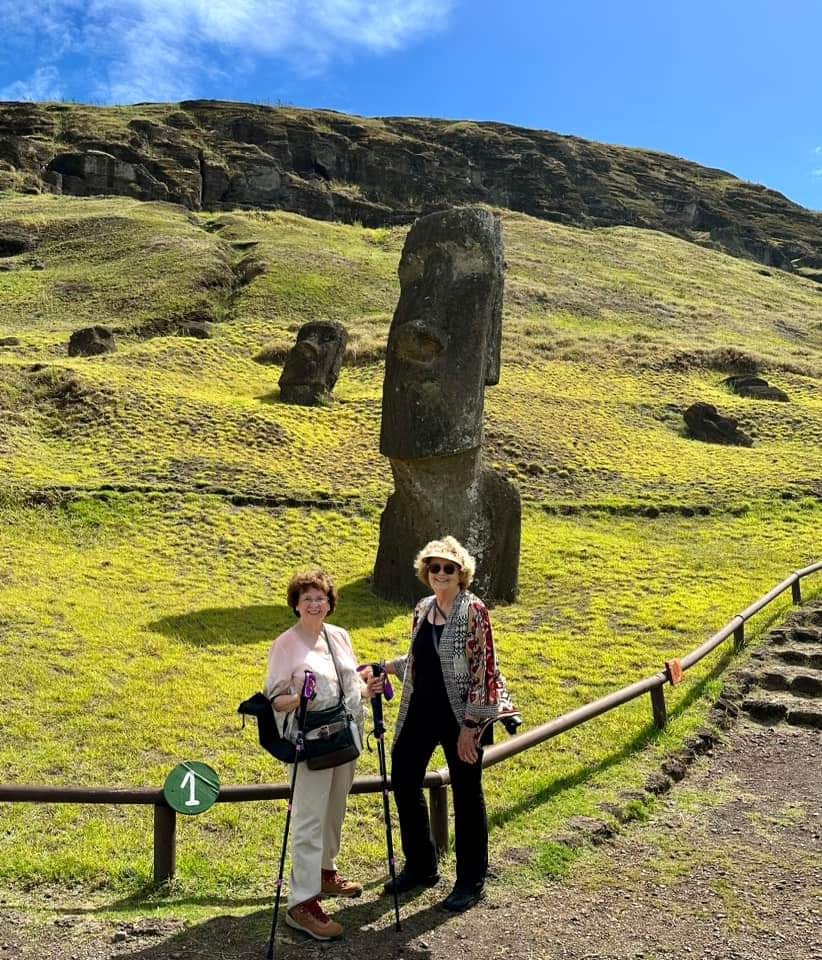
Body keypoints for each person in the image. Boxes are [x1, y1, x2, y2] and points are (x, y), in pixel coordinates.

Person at [380, 536, 500, 912]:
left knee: (466, 792)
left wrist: (471, 727)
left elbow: (485, 670)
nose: (441, 573)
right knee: (403, 777)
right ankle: (421, 865)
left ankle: (471, 881)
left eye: (449, 568)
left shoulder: (474, 610)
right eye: (435, 567)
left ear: (461, 572)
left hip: (461, 715)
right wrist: (385, 667)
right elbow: (420, 660)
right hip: (421, 709)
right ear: (426, 571)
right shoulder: (423, 608)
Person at [266, 569, 381, 941]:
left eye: (321, 598)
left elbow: (350, 684)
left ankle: (324, 872)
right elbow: (274, 699)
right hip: (309, 743)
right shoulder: (286, 644)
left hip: (345, 738)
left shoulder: (339, 636)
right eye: (308, 598)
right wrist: (300, 698)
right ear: (296, 605)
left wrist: (368, 688)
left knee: (334, 809)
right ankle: (301, 904)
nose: (315, 604)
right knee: (309, 819)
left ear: (330, 604)